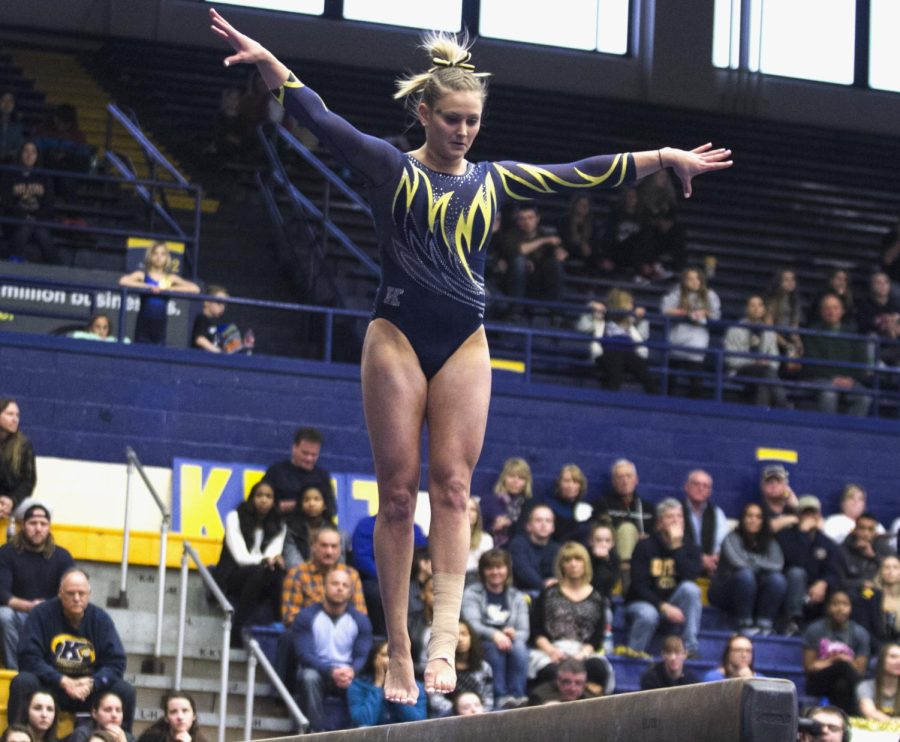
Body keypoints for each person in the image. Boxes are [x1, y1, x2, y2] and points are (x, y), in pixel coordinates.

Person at [209, 7, 732, 705]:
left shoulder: (494, 181)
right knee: (398, 496)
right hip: (395, 338)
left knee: (453, 491)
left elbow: (580, 174)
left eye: (472, 121)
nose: (463, 131)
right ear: (424, 111)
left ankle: (441, 638)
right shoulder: (390, 168)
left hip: (464, 343)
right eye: (451, 118)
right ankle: (397, 646)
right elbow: (320, 117)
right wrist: (273, 68)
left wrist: (662, 159)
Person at [7, 568, 136, 732]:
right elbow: (28, 658)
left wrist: (93, 682)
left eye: (81, 593)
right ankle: (17, 736)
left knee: (125, 691)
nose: (76, 598)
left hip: (89, 689)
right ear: (60, 593)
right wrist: (61, 680)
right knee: (23, 681)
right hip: (52, 686)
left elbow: (116, 662)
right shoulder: (41, 614)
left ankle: (123, 737)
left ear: (89, 594)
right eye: (70, 593)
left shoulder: (100, 619)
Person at [290, 568, 373, 733]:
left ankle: (357, 733)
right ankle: (314, 732)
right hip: (319, 672)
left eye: (345, 585)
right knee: (308, 677)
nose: (340, 588)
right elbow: (304, 654)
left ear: (350, 592)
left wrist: (352, 670)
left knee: (366, 682)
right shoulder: (306, 616)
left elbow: (362, 655)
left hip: (347, 674)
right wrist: (330, 671)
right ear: (324, 587)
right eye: (335, 583)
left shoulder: (361, 621)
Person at [0, 498, 75, 668]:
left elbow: (72, 591)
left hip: (51, 614)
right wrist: (28, 606)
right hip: (17, 614)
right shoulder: (6, 553)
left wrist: (45, 607)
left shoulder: (63, 556)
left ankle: (50, 671)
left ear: (49, 527)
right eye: (33, 523)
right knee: (3, 615)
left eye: (43, 523)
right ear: (23, 525)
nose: (38, 528)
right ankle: (15, 671)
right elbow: (2, 594)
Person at [530, 542, 611, 696]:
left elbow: (597, 638)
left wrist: (580, 656)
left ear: (585, 563)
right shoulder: (548, 594)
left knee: (598, 668)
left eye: (577, 559)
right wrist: (552, 651)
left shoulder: (597, 597)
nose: (573, 564)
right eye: (568, 560)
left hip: (583, 651)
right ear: (562, 565)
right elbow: (536, 631)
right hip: (552, 649)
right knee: (551, 672)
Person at [212, 480, 286, 647]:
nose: (264, 500)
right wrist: (264, 561)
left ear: (274, 501)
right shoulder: (234, 517)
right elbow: (240, 557)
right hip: (232, 575)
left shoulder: (280, 524)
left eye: (268, 496)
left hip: (258, 577)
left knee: (276, 571)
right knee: (258, 572)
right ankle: (238, 629)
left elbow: (272, 555)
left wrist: (272, 560)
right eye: (259, 495)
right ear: (252, 498)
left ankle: (279, 624)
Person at [625, 498, 702, 656]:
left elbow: (691, 576)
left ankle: (690, 648)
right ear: (659, 523)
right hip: (643, 603)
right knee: (648, 614)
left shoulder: (690, 547)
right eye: (670, 517)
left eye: (679, 516)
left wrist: (676, 547)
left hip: (674, 602)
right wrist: (663, 606)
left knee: (691, 590)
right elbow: (639, 586)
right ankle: (634, 654)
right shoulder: (644, 546)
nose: (676, 521)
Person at [461, 549, 529, 710]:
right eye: (490, 568)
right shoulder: (471, 594)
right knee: (494, 649)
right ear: (483, 571)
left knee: (519, 647)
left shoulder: (517, 596)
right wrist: (494, 634)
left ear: (507, 570)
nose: (495, 572)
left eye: (500, 567)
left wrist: (513, 633)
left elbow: (524, 631)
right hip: (482, 641)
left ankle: (518, 696)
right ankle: (501, 697)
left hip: (510, 642)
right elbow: (472, 625)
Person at [708, 502, 786, 636]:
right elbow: (738, 563)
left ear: (763, 521)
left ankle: (765, 623)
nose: (753, 520)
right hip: (725, 591)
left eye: (758, 517)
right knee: (745, 575)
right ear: (743, 519)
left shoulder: (770, 542)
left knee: (778, 579)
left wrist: (752, 561)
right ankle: (744, 624)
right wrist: (762, 566)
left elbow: (777, 565)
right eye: (749, 516)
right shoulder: (731, 537)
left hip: (754, 591)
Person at [777, 495, 842, 635]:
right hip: (790, 586)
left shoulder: (827, 542)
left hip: (817, 590)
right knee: (797, 573)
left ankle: (831, 631)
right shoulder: (785, 536)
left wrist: (823, 583)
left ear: (819, 515)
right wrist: (802, 535)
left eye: (813, 513)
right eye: (806, 513)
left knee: (839, 590)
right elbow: (794, 561)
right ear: (798, 515)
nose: (810, 517)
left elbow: (834, 570)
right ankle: (793, 622)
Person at [281, 526, 366, 628]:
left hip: (344, 634)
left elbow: (361, 616)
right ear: (313, 547)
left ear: (340, 549)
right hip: (307, 633)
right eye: (324, 546)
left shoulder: (351, 575)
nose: (329, 552)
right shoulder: (297, 574)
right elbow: (290, 617)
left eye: (334, 546)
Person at [801, 293, 871, 417]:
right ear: (821, 312)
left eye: (835, 308)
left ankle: (850, 432)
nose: (831, 312)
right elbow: (811, 363)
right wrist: (833, 378)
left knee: (864, 397)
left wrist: (850, 378)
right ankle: (827, 432)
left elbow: (861, 362)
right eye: (827, 308)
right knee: (829, 394)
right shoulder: (812, 333)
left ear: (842, 311)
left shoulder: (853, 334)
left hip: (849, 380)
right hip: (820, 379)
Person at [802, 589, 870, 715]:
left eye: (845, 604)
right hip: (817, 682)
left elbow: (860, 671)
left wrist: (836, 663)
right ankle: (866, 703)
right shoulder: (814, 630)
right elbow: (810, 668)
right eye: (835, 604)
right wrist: (836, 660)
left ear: (851, 608)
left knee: (841, 685)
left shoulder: (860, 633)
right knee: (842, 666)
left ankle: (846, 720)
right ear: (828, 607)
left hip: (846, 683)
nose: (840, 608)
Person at [118, 242, 200, 345]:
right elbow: (123, 281)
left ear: (167, 258)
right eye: (155, 253)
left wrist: (170, 288)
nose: (158, 257)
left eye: (162, 254)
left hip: (160, 327)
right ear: (150, 256)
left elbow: (195, 289)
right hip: (143, 326)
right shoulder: (143, 275)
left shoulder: (170, 278)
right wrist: (148, 287)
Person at [577, 289, 656, 393]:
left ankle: (656, 402)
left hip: (629, 353)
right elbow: (582, 327)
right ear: (620, 304)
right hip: (607, 352)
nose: (632, 306)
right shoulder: (601, 317)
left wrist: (642, 318)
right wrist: (590, 309)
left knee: (647, 377)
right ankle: (608, 402)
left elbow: (644, 336)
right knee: (614, 376)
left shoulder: (631, 320)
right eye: (629, 303)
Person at [661, 267, 721, 397]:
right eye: (690, 279)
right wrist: (683, 312)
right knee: (669, 381)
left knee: (696, 382)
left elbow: (716, 316)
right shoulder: (677, 293)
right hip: (677, 340)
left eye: (697, 278)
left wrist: (704, 312)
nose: (694, 282)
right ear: (684, 281)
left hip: (696, 342)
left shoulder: (710, 295)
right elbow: (665, 310)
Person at [723, 293, 791, 407]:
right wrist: (754, 363)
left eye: (759, 305)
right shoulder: (734, 330)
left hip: (764, 373)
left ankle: (761, 412)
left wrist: (766, 365)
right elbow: (731, 360)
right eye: (752, 305)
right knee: (765, 373)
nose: (756, 309)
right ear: (746, 309)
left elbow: (775, 360)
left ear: (763, 309)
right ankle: (784, 404)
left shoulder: (769, 332)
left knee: (763, 381)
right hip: (740, 372)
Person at [494, 204, 566, 310]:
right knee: (519, 262)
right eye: (522, 219)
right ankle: (515, 311)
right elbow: (519, 250)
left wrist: (560, 254)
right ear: (517, 221)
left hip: (539, 282)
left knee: (555, 265)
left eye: (530, 218)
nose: (527, 222)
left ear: (537, 219)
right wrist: (544, 241)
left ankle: (556, 313)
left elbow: (559, 252)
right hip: (514, 282)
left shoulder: (546, 233)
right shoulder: (510, 234)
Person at [346, 640, 427, 727]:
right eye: (385, 655)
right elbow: (363, 721)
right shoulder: (358, 685)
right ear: (374, 658)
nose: (391, 660)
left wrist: (397, 690)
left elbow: (418, 722)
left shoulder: (415, 686)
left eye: (394, 656)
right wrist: (377, 684)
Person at [592, 459, 655, 569]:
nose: (625, 481)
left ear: (636, 480)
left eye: (629, 476)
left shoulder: (648, 508)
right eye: (620, 477)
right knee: (627, 529)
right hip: (611, 558)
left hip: (643, 559)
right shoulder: (601, 505)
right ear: (613, 481)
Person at [0, 141, 56, 264]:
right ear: (20, 153)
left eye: (33, 152)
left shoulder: (44, 177)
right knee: (26, 227)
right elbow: (6, 201)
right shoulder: (9, 175)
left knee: (42, 233)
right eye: (26, 151)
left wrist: (36, 217)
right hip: (15, 219)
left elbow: (49, 202)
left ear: (37, 156)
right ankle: (12, 263)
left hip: (38, 220)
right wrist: (23, 216)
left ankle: (55, 268)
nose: (29, 155)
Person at [261, 427, 335, 517]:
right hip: (281, 525)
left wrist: (291, 506)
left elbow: (331, 509)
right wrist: (301, 505)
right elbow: (262, 502)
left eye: (314, 455)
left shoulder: (322, 476)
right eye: (305, 453)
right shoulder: (276, 471)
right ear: (294, 448)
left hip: (312, 527)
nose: (309, 458)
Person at [427, 619, 493, 717]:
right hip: (449, 715)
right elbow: (436, 700)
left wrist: (477, 710)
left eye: (464, 634)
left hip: (478, 712)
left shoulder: (484, 667)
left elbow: (488, 698)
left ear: (471, 637)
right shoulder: (439, 667)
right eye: (455, 636)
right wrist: (459, 710)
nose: (460, 639)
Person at [679, 469, 729, 577]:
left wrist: (714, 558)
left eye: (705, 486)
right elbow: (674, 542)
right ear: (686, 487)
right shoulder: (675, 510)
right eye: (696, 484)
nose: (701, 488)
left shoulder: (717, 513)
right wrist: (699, 559)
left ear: (710, 492)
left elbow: (723, 543)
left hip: (712, 568)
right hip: (682, 565)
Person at [506, 504, 560, 598]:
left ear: (553, 528)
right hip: (522, 593)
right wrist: (544, 585)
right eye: (538, 520)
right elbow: (523, 571)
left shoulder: (557, 548)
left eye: (548, 521)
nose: (544, 524)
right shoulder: (518, 545)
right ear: (528, 526)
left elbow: (558, 574)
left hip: (551, 594)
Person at [838, 511, 896, 598]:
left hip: (878, 595)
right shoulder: (842, 549)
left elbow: (895, 572)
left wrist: (873, 556)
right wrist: (861, 583)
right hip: (850, 595)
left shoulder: (884, 548)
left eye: (870, 529)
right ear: (855, 530)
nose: (866, 533)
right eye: (862, 528)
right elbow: (837, 580)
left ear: (875, 532)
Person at [852, 554, 900, 657]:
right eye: (886, 567)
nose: (891, 571)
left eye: (895, 567)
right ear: (880, 572)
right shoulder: (870, 593)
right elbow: (858, 604)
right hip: (877, 649)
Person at [479, 457, 533, 548]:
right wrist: (493, 528)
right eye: (511, 476)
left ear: (526, 482)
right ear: (503, 478)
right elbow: (477, 531)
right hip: (491, 551)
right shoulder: (488, 502)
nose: (515, 481)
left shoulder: (531, 505)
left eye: (521, 478)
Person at [283, 484, 339, 570]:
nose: (311, 504)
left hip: (329, 577)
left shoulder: (335, 532)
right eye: (306, 500)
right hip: (300, 577)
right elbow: (292, 563)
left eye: (316, 499)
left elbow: (339, 563)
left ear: (325, 505)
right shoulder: (292, 531)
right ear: (301, 505)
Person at [856, 271, 900, 367]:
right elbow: (863, 325)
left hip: (893, 346)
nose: (883, 285)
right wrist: (886, 322)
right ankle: (872, 369)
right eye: (878, 283)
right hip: (875, 346)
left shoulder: (895, 305)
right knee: (872, 337)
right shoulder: (864, 305)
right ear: (872, 286)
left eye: (885, 282)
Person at [765, 268, 804, 372]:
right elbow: (769, 328)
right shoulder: (772, 300)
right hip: (774, 338)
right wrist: (786, 345)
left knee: (799, 352)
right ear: (779, 282)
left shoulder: (795, 301)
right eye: (786, 280)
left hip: (787, 337)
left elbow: (794, 327)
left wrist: (798, 343)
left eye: (792, 279)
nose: (790, 282)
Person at [135, 692, 206, 742]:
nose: (180, 717)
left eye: (185, 711)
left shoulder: (200, 740)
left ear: (194, 716)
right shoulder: (150, 738)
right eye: (173, 712)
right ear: (166, 718)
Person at [526, 657, 599, 706]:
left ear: (584, 684)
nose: (572, 688)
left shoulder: (593, 700)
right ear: (558, 681)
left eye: (578, 683)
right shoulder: (539, 696)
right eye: (567, 682)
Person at [856, 641, 900, 721]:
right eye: (893, 657)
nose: (899, 661)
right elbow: (870, 713)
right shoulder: (865, 686)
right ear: (881, 661)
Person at [66, 691, 133, 742]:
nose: (114, 715)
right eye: (108, 710)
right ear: (94, 713)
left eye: (118, 710)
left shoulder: (128, 738)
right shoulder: (82, 734)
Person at [586, 519, 621, 604]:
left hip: (605, 597)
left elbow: (610, 585)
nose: (603, 544)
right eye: (598, 540)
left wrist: (605, 561)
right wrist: (595, 559)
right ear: (591, 541)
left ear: (613, 543)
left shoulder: (614, 559)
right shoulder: (585, 556)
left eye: (607, 540)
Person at [758, 464, 799, 533]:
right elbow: (764, 529)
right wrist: (794, 519)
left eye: (778, 481)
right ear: (763, 486)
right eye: (769, 482)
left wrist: (796, 506)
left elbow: (812, 522)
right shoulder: (757, 509)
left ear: (786, 485)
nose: (774, 486)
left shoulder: (792, 508)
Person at [465, 498, 493, 584]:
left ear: (478, 515)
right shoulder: (445, 538)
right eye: (464, 508)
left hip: (476, 579)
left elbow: (487, 566)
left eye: (473, 509)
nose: (468, 513)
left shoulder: (486, 539)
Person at [0, 91, 26, 165]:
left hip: (10, 163)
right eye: (4, 100)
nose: (7, 103)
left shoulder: (19, 125)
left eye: (10, 101)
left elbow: (18, 145)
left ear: (14, 104)